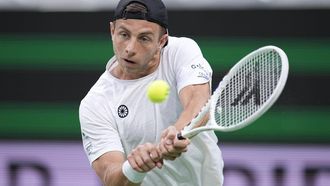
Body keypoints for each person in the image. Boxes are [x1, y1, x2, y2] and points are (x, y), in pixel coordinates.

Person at [79, 0, 224, 185]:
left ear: (161, 41)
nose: (130, 48)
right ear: (112, 31)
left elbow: (198, 99)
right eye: (124, 34)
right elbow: (111, 176)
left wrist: (178, 132)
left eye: (144, 38)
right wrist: (134, 168)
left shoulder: (180, 51)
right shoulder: (95, 103)